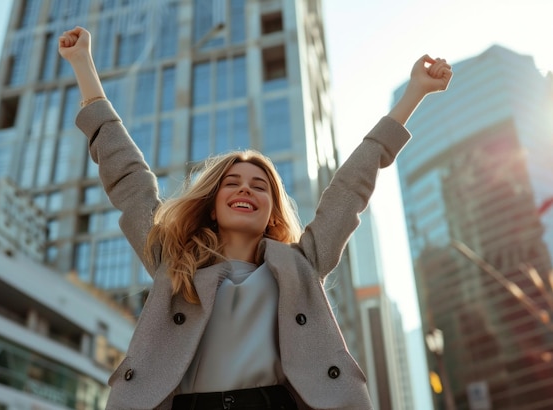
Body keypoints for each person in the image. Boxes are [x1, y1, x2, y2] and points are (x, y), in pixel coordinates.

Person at [58, 26, 452, 410]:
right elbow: (128, 179)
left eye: (260, 186)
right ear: (212, 204)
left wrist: (415, 92)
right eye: (233, 183)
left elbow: (350, 188)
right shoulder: (173, 262)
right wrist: (82, 65)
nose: (246, 189)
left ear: (271, 212)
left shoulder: (303, 263)